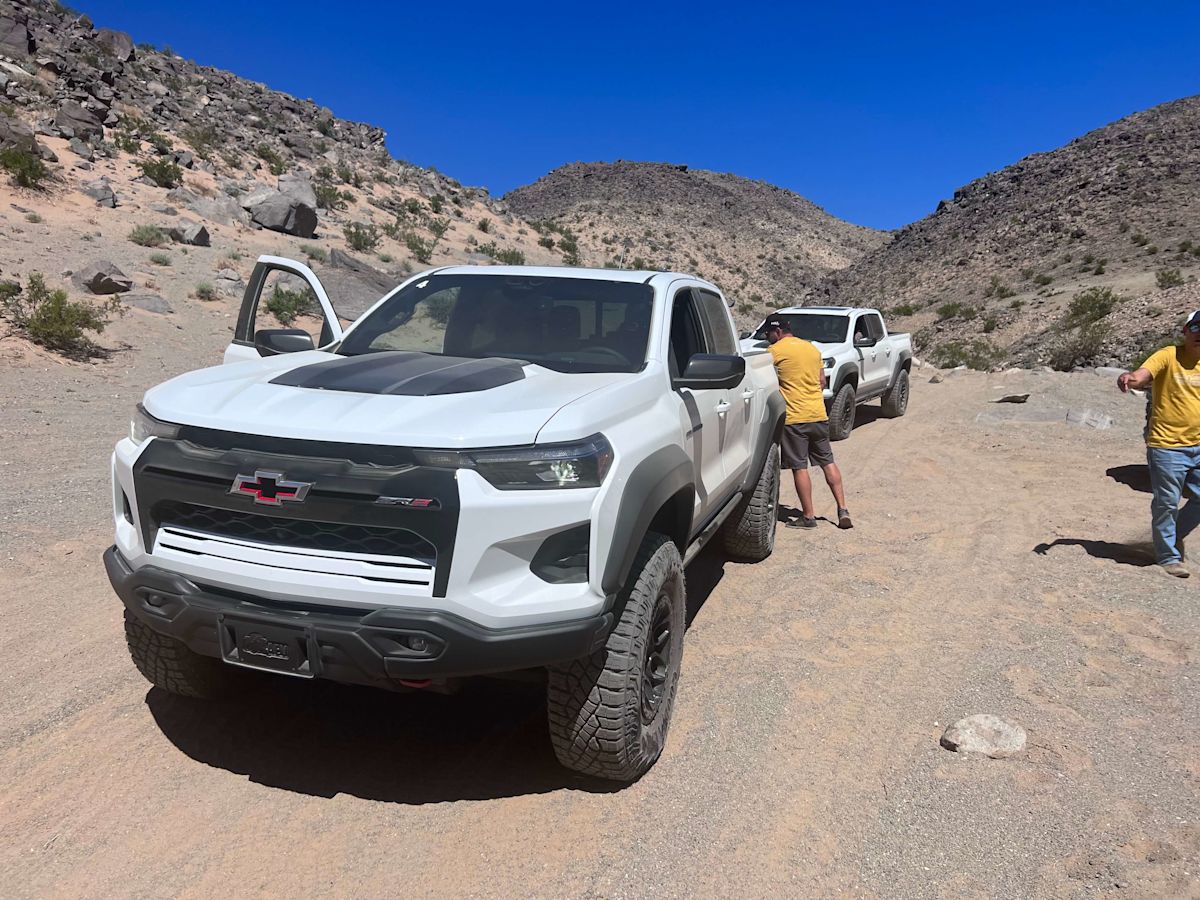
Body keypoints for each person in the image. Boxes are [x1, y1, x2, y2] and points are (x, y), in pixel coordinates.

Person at [1117, 308, 1200, 578]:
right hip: (1167, 446)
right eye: (1196, 329)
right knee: (1166, 502)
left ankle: (1170, 536)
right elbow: (1144, 374)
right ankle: (1168, 556)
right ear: (1186, 331)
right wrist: (1131, 378)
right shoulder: (1168, 355)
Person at [764, 316, 852, 529]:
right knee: (827, 462)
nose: (768, 338)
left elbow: (764, 380)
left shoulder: (774, 352)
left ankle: (809, 517)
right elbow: (822, 381)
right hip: (818, 414)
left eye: (768, 334)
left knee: (799, 467)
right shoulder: (812, 349)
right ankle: (842, 510)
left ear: (777, 332)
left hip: (795, 418)